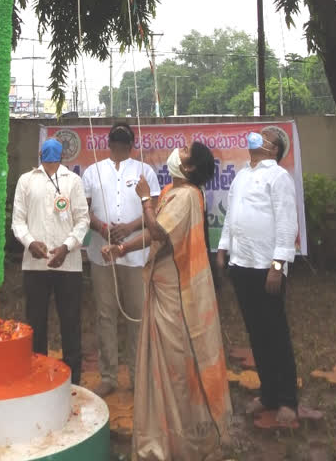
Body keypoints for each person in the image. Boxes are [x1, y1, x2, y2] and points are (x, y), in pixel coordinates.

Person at [102, 142, 233, 461]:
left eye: (185, 151)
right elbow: (157, 235)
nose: (179, 149)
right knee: (164, 363)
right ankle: (164, 433)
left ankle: (181, 438)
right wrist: (123, 249)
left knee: (175, 364)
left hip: (177, 297)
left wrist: (145, 198)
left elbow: (158, 228)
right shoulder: (178, 193)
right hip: (165, 288)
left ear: (188, 168)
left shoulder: (187, 196)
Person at [216, 126, 299, 424]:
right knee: (256, 332)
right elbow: (231, 217)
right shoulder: (241, 175)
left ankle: (288, 400)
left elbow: (287, 223)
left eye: (266, 137)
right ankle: (269, 394)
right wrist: (223, 249)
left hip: (267, 268)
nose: (257, 138)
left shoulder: (278, 177)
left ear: (275, 149)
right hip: (241, 265)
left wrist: (278, 266)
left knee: (276, 333)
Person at [82, 122, 160, 397]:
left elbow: (154, 209)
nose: (120, 146)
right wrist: (103, 228)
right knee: (105, 315)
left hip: (135, 254)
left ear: (132, 144)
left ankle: (138, 376)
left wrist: (129, 227)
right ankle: (108, 376)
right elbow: (84, 209)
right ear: (108, 143)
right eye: (116, 141)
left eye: (124, 141)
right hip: (102, 254)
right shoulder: (93, 170)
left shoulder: (144, 171)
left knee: (137, 316)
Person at [11, 138, 89, 384]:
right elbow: (18, 220)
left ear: (63, 156)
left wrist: (66, 248)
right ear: (39, 154)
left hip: (68, 264)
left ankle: (73, 379)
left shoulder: (73, 181)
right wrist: (30, 243)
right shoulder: (26, 180)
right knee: (36, 322)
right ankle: (36, 374)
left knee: (70, 321)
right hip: (35, 264)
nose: (51, 153)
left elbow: (82, 220)